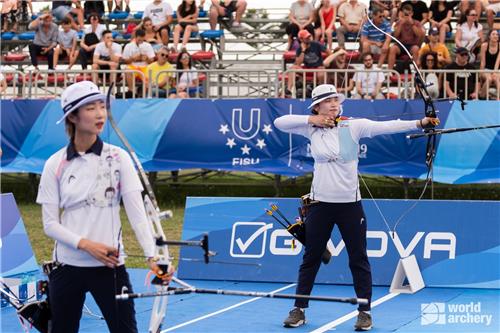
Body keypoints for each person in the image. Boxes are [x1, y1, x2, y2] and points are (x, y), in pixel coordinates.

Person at [274, 83, 438, 331]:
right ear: (317, 106)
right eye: (327, 101)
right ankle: (299, 309)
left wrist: (420, 123)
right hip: (319, 205)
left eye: (335, 100)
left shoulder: (353, 125)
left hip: (349, 206)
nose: (333, 104)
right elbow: (280, 122)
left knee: (358, 259)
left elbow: (387, 126)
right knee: (311, 258)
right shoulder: (311, 128)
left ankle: (364, 311)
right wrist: (313, 119)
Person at [36, 80, 172, 333]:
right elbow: (50, 224)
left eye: (102, 106)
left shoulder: (119, 158)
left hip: (110, 269)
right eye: (90, 108)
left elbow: (137, 213)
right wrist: (87, 245)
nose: (100, 113)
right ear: (73, 116)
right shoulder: (55, 164)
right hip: (66, 268)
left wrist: (153, 255)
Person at [287, 29, 327, 95]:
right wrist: (303, 50)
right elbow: (298, 63)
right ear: (301, 39)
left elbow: (329, 52)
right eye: (306, 37)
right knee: (292, 68)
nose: (309, 38)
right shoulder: (299, 49)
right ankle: (288, 90)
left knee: (321, 73)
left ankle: (321, 92)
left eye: (309, 36)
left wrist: (324, 63)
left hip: (318, 68)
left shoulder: (316, 44)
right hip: (307, 69)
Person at [387, 3, 425, 71]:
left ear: (412, 14)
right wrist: (401, 24)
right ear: (402, 13)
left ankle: (417, 72)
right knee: (393, 48)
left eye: (409, 14)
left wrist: (412, 24)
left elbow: (419, 34)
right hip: (400, 45)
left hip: (412, 46)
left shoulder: (416, 23)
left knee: (416, 49)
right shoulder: (399, 23)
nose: (407, 15)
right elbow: (395, 35)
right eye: (405, 14)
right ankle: (390, 71)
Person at [122, 29, 156, 95]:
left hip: (145, 67)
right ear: (136, 37)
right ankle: (132, 92)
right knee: (127, 70)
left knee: (149, 74)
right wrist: (132, 58)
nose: (141, 41)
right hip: (133, 66)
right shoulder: (128, 46)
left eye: (142, 40)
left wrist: (147, 59)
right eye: (139, 40)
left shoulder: (147, 45)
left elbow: (152, 60)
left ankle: (143, 96)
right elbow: (125, 61)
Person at [479, 29, 500, 99]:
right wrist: (481, 74)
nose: (495, 36)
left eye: (497, 34)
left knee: (496, 78)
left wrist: (495, 72)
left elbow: (498, 62)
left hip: (497, 69)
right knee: (489, 79)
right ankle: (481, 96)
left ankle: (498, 99)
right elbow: (482, 62)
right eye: (493, 34)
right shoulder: (484, 46)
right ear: (489, 36)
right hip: (486, 69)